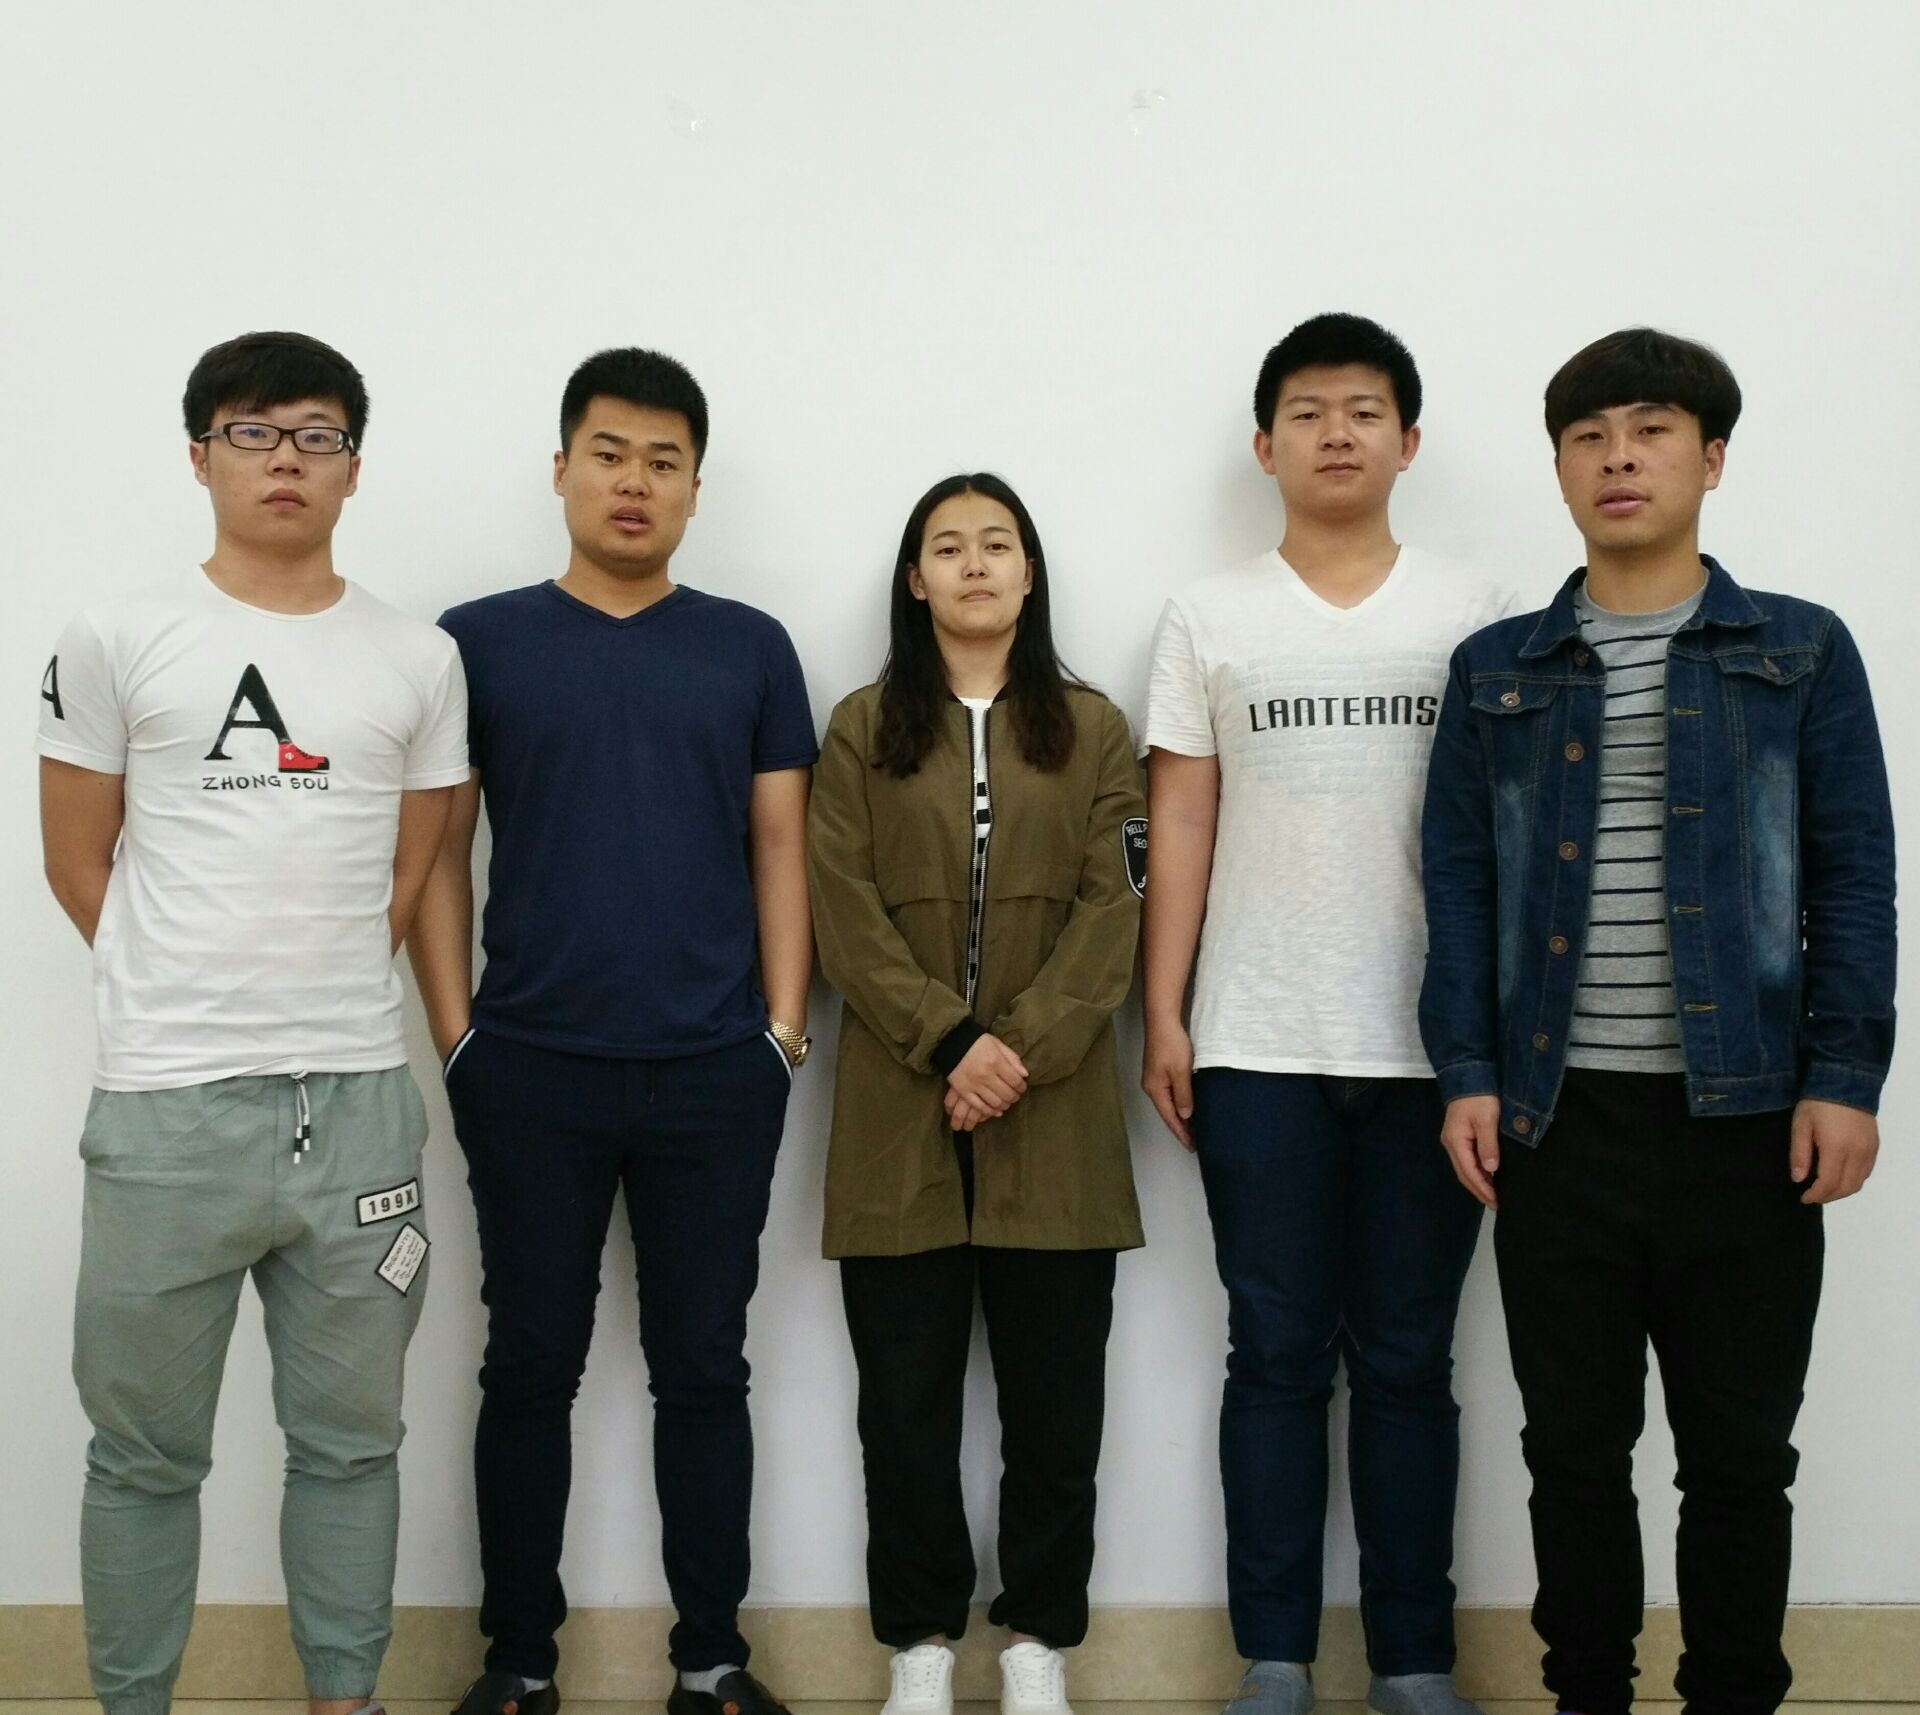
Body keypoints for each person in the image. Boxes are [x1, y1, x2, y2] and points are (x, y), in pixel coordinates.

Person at [1419, 327, 1895, 1712]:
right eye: (1589, 436)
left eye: (1652, 430)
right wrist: (1466, 1069)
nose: (1618, 458)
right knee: (1571, 1450)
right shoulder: (1498, 666)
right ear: (1561, 467)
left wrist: (1847, 1072)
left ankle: (1733, 1693)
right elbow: (1459, 881)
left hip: (1746, 1116)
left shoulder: (1799, 649)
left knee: (1740, 1456)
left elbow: (1854, 871)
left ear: (1712, 458)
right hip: (1554, 1118)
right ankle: (1589, 1693)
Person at [38, 330, 469, 1715]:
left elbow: (413, 871)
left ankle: (345, 1694)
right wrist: (181, 987)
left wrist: (312, 987)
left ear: (354, 465)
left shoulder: (418, 656)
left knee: (352, 1443)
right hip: (167, 1113)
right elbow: (78, 862)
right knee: (142, 1455)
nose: (287, 457)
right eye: (253, 430)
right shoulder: (116, 635)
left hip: (356, 1110)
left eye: (317, 433)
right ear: (200, 454)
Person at [408, 348, 816, 1715]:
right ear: (562, 468)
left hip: (714, 1069)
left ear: (695, 487)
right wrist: (458, 1036)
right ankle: (518, 1660)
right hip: (530, 1067)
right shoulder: (476, 640)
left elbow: (780, 841)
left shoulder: (749, 645)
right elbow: (440, 848)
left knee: (705, 1366)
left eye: (662, 460)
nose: (634, 481)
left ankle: (712, 1659)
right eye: (609, 452)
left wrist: (779, 1030)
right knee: (529, 1364)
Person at [1142, 314, 1512, 1715]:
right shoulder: (1208, 614)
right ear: (1266, 445)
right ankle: (1276, 1659)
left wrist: (1493, 1037)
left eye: (1364, 410)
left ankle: (1415, 1661)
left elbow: (1512, 830)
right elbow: (1182, 817)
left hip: (1436, 1053)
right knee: (1276, 1358)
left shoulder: (1480, 611)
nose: (1337, 432)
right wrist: (1165, 1010)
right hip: (1255, 1042)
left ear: (1408, 440)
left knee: (1412, 1363)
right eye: (1308, 411)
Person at [807, 473, 1145, 1715]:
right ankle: (919, 1646)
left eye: (997, 543)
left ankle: (1039, 1641)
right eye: (947, 547)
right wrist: (951, 1040)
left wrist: (1019, 1049)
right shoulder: (861, 726)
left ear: (1030, 571)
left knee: (1057, 1412)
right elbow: (839, 906)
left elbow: (1118, 906)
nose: (974, 564)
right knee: (903, 1412)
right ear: (915, 579)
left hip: (1057, 1117)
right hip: (897, 1112)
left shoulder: (1094, 727)